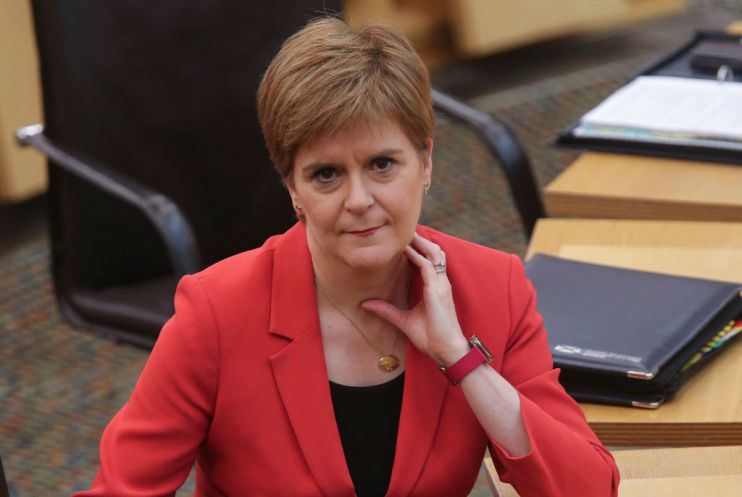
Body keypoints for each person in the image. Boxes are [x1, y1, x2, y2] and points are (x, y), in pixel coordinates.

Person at [74, 16, 619, 497]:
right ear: (292, 186)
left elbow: (588, 489)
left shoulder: (493, 287)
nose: (359, 200)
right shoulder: (215, 315)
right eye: (326, 174)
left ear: (425, 162)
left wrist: (462, 359)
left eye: (382, 164)